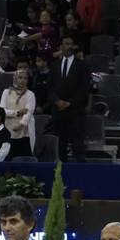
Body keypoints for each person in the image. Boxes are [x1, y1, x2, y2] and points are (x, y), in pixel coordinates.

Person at [50, 33, 89, 162]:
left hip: (75, 110)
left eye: (71, 44)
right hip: (58, 110)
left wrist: (70, 103)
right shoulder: (54, 65)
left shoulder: (81, 65)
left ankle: (82, 171)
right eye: (66, 44)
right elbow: (50, 87)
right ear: (61, 46)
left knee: (77, 142)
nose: (69, 47)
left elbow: (84, 88)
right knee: (61, 142)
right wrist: (56, 101)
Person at [0, 68, 36, 158]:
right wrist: (17, 113)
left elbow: (28, 112)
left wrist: (21, 124)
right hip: (8, 130)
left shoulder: (30, 94)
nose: (23, 80)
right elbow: (2, 111)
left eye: (25, 78)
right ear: (15, 78)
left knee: (24, 160)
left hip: (24, 132)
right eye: (20, 77)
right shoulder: (6, 92)